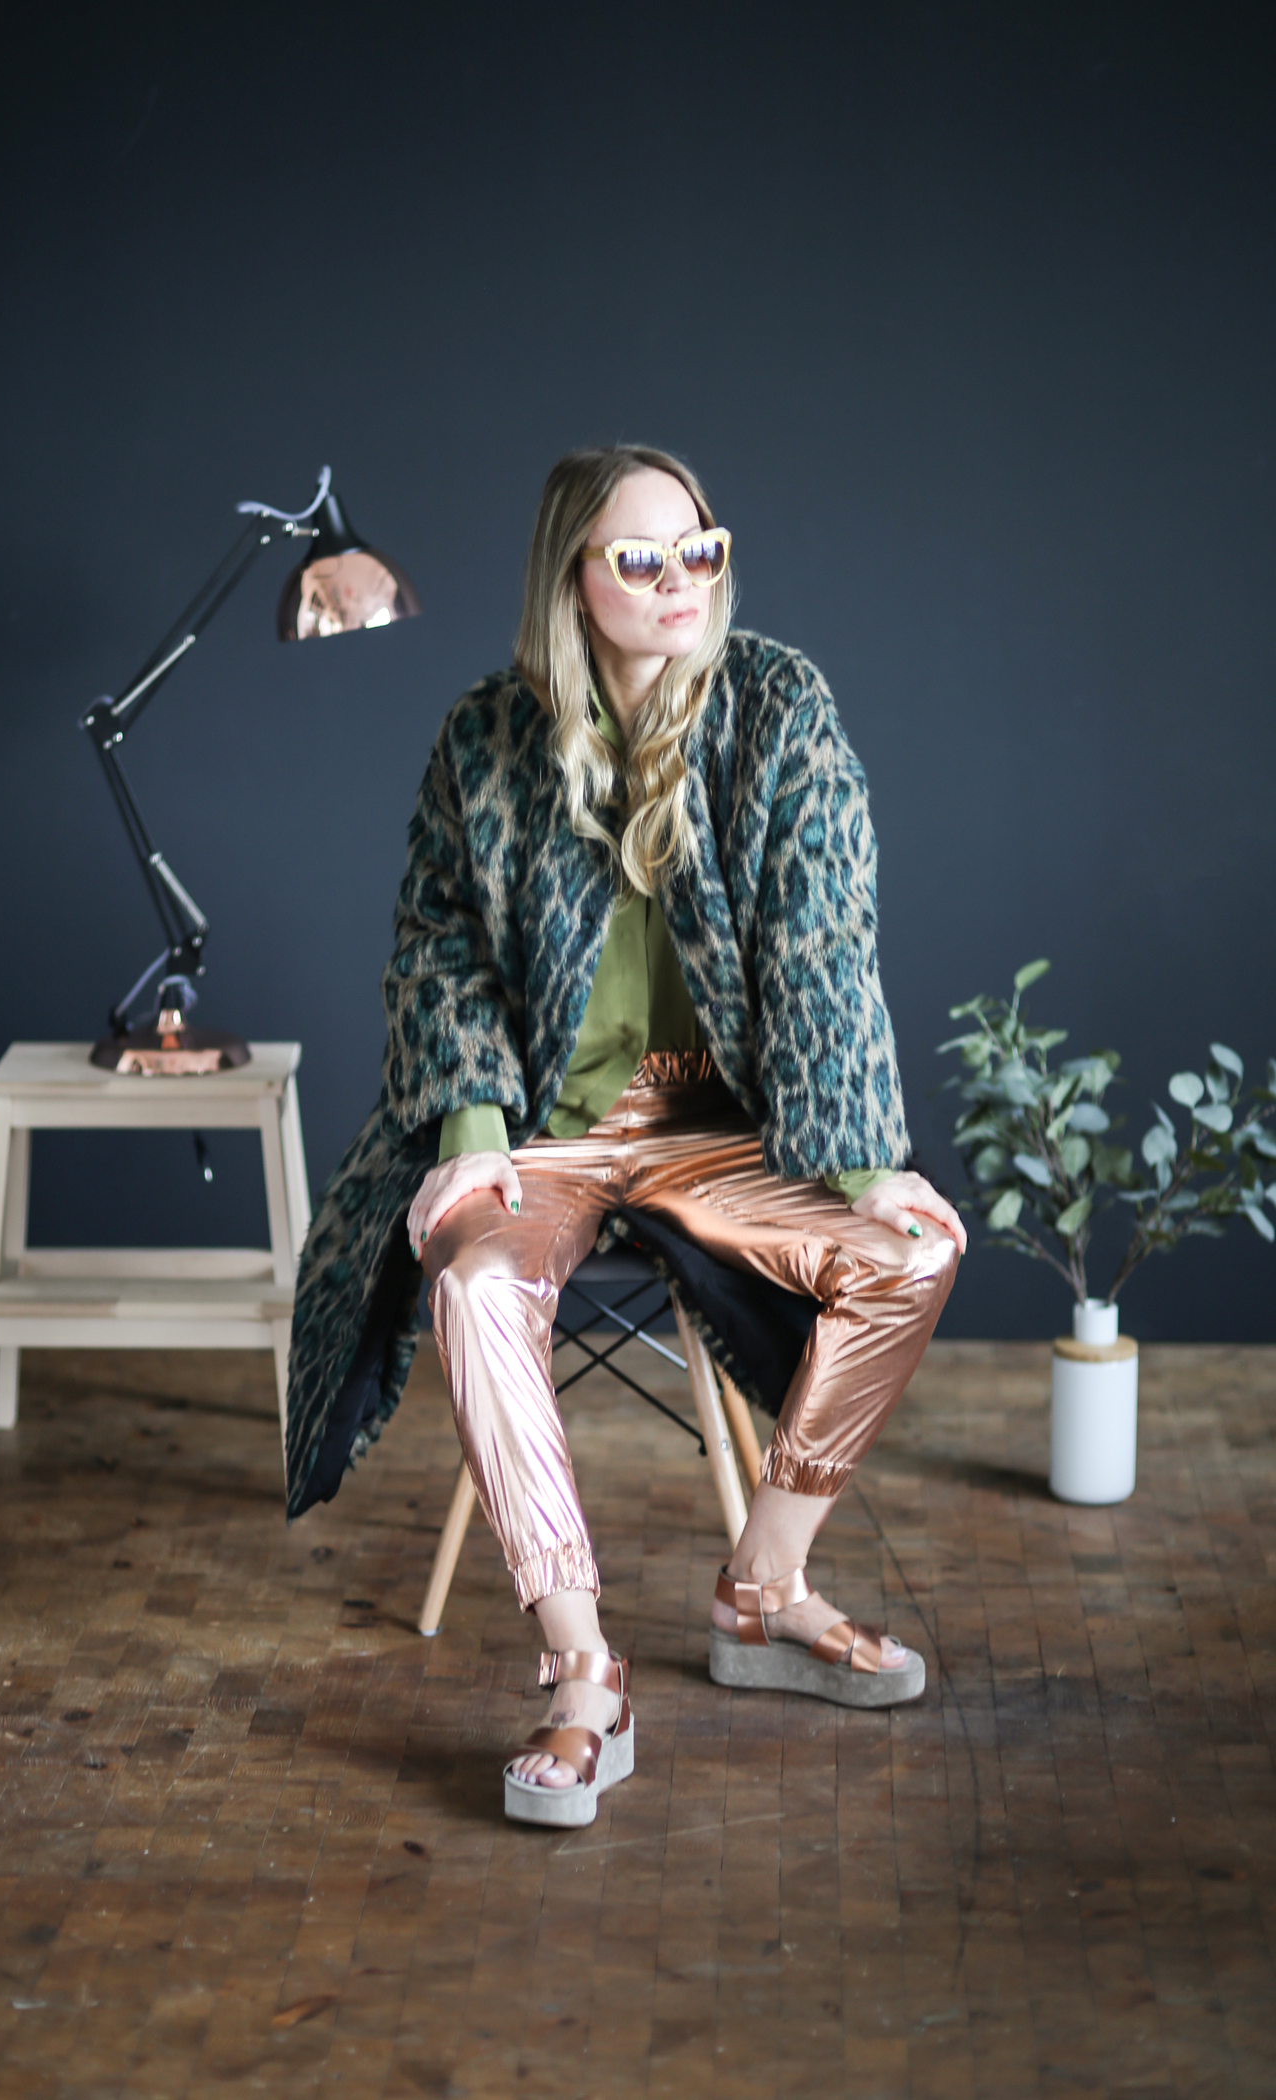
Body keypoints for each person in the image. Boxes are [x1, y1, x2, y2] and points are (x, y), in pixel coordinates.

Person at [285, 445, 967, 1829]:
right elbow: (436, 949)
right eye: (639, 557)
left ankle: (764, 1586)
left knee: (913, 1249)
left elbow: (823, 943)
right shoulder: (487, 739)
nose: (677, 581)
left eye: (699, 550)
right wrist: (472, 1128)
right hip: (545, 1128)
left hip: (727, 1131)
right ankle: (583, 1668)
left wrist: (860, 1160)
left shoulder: (777, 710)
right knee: (472, 1281)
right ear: (571, 579)